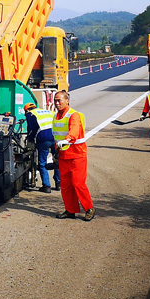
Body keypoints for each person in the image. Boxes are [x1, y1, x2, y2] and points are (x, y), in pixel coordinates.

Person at [53, 90, 94, 221]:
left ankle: (89, 208)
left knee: (78, 184)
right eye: (55, 100)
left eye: (59, 100)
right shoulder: (56, 116)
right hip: (63, 156)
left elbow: (75, 129)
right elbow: (56, 135)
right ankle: (70, 210)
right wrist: (56, 151)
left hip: (77, 155)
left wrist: (68, 139)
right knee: (65, 185)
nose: (57, 103)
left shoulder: (73, 115)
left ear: (67, 101)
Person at [23, 101, 60, 193]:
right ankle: (58, 183)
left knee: (42, 163)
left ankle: (46, 186)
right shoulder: (48, 111)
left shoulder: (30, 114)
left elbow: (31, 129)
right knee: (57, 161)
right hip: (56, 138)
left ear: (27, 110)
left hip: (43, 139)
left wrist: (30, 140)